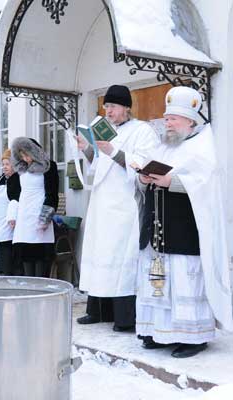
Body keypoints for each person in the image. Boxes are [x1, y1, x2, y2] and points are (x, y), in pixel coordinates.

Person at [136, 86, 233, 357]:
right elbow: (146, 174)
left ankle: (193, 338)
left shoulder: (202, 146)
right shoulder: (164, 146)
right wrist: (142, 179)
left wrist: (172, 181)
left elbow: (206, 184)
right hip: (156, 229)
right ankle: (159, 332)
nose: (167, 123)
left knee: (184, 283)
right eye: (166, 118)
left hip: (183, 231)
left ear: (190, 121)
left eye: (173, 119)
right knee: (158, 283)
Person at [77, 85, 159, 332]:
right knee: (99, 253)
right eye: (106, 106)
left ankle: (125, 317)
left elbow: (143, 164)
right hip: (103, 203)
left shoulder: (142, 130)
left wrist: (112, 150)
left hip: (124, 205)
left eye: (112, 106)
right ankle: (99, 310)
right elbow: (101, 167)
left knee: (119, 256)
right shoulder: (107, 129)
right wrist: (88, 150)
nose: (108, 111)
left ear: (126, 107)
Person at [7, 137, 59, 278]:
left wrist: (45, 219)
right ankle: (29, 289)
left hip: (39, 216)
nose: (25, 158)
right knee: (25, 257)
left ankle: (41, 292)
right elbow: (14, 195)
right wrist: (12, 215)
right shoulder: (20, 171)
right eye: (21, 155)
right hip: (24, 218)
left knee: (41, 259)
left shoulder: (49, 167)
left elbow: (52, 195)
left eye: (27, 154)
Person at [0, 149, 20, 275]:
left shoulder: (16, 179)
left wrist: (12, 217)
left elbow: (16, 199)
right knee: (2, 261)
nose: (4, 167)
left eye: (7, 164)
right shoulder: (1, 179)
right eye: (3, 164)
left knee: (11, 260)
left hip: (11, 225)